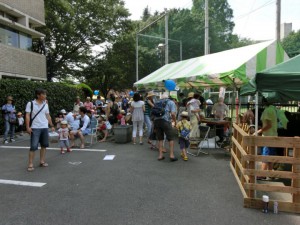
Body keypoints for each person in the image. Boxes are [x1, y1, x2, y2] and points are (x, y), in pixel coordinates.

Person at [25, 89, 55, 172]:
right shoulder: (30, 103)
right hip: (35, 127)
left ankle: (42, 161)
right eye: (43, 94)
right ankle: (30, 164)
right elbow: (27, 115)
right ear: (38, 95)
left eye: (45, 94)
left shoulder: (45, 104)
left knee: (44, 145)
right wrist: (28, 127)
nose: (45, 95)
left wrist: (51, 125)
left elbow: (48, 115)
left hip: (45, 127)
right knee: (33, 146)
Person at [255, 98, 278, 180]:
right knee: (270, 155)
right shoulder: (273, 109)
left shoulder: (267, 110)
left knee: (265, 154)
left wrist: (259, 131)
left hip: (268, 136)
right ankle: (270, 173)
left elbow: (269, 125)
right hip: (274, 135)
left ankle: (262, 174)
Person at [153, 93, 177, 161]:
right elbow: (172, 114)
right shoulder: (171, 102)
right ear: (168, 97)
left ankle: (160, 155)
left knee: (160, 139)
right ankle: (171, 155)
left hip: (157, 121)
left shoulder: (157, 102)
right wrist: (175, 121)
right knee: (170, 138)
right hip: (166, 121)